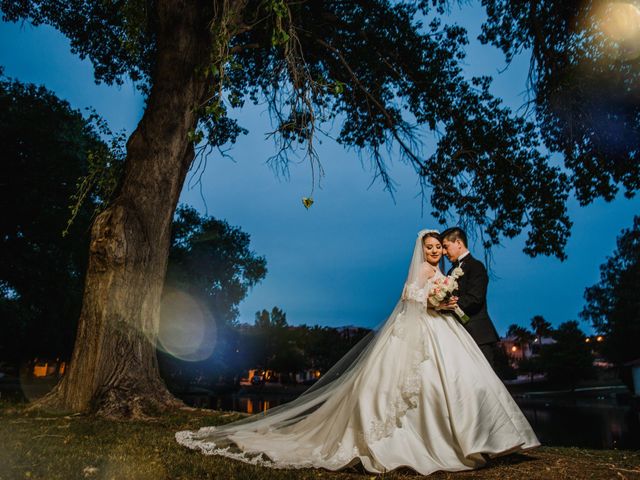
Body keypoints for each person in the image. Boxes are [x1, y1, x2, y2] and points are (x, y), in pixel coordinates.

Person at [176, 230, 539, 475]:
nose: (434, 251)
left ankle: (475, 439)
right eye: (429, 247)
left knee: (459, 381)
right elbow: (409, 297)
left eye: (438, 247)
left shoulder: (447, 274)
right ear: (422, 249)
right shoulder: (422, 274)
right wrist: (435, 300)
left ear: (445, 249)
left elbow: (451, 299)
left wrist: (443, 301)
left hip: (444, 330)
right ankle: (422, 441)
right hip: (421, 328)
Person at [440, 227, 500, 368]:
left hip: (479, 335)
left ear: (458, 243)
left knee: (487, 379)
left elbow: (475, 298)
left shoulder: (476, 266)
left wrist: (451, 305)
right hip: (460, 335)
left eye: (445, 247)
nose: (443, 252)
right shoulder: (451, 271)